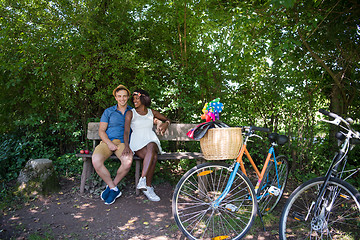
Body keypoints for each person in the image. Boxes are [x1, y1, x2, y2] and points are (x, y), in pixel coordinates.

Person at [123, 89, 170, 201]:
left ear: (144, 99)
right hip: (138, 142)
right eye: (133, 99)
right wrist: (126, 146)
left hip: (150, 140)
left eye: (137, 98)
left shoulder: (151, 112)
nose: (134, 101)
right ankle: (147, 186)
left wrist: (165, 124)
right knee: (153, 157)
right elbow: (126, 131)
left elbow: (167, 119)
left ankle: (143, 182)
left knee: (152, 145)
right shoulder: (130, 113)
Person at [92, 84, 133, 205]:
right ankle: (113, 188)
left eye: (124, 96)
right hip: (107, 142)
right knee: (96, 160)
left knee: (127, 162)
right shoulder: (108, 111)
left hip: (123, 144)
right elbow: (101, 131)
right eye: (119, 96)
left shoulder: (132, 112)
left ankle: (112, 187)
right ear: (115, 97)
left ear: (128, 97)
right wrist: (109, 143)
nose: (122, 99)